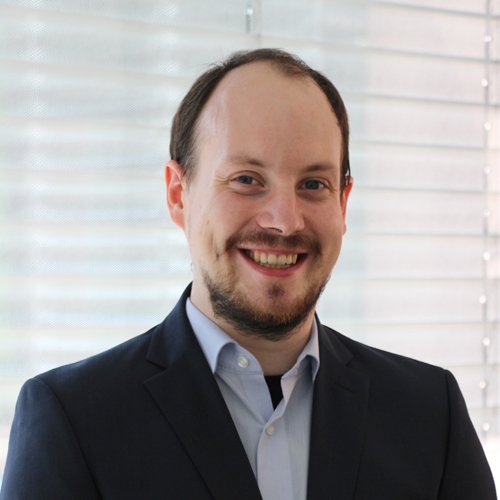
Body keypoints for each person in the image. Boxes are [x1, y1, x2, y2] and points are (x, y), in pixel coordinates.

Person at [1, 48, 496, 500]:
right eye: (246, 180)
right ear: (178, 195)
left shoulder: (431, 414)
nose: (285, 220)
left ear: (343, 203)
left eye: (313, 184)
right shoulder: (71, 420)